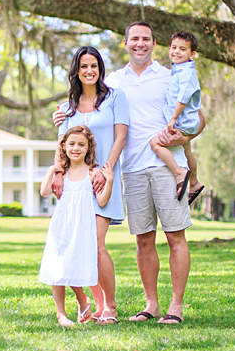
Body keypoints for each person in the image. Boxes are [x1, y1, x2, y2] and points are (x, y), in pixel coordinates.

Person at [67, 21, 202, 325]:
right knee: (143, 240)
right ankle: (151, 305)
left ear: (154, 44)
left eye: (146, 39)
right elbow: (89, 109)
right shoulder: (113, 82)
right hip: (132, 169)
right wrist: (64, 112)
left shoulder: (171, 76)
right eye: (134, 39)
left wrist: (184, 137)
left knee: (175, 237)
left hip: (167, 166)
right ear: (125, 44)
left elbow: (199, 117)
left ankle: (176, 307)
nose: (140, 43)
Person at [55, 46, 128, 325]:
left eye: (94, 65)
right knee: (77, 244)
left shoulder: (114, 98)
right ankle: (91, 304)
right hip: (75, 185)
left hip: (102, 182)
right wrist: (59, 173)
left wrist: (105, 170)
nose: (89, 71)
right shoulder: (67, 108)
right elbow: (61, 145)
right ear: (77, 70)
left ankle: (109, 306)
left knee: (96, 244)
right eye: (84, 66)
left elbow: (120, 137)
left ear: (100, 69)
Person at [38, 126, 114, 327]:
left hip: (83, 227)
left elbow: (103, 201)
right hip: (62, 226)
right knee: (58, 267)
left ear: (89, 148)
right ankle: (61, 314)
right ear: (63, 146)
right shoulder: (61, 172)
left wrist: (110, 180)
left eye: (81, 144)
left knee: (76, 264)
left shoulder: (93, 173)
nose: (76, 148)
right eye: (71, 144)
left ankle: (84, 300)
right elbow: (45, 192)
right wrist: (51, 170)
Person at [149, 31, 204, 204]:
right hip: (184, 122)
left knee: (155, 143)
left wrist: (172, 120)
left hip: (182, 122)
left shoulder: (187, 73)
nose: (176, 52)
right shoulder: (178, 70)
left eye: (182, 49)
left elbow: (183, 99)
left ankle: (179, 172)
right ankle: (194, 183)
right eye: (173, 47)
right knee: (187, 150)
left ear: (192, 54)